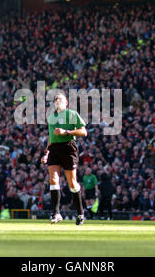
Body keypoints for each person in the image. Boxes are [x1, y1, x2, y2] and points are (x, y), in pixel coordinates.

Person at [41, 93, 88, 225]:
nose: (57, 101)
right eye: (56, 99)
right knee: (53, 179)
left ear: (66, 102)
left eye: (60, 99)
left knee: (72, 183)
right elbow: (51, 137)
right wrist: (47, 153)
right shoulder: (51, 117)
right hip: (55, 149)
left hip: (68, 147)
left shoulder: (72, 114)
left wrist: (66, 132)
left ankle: (80, 214)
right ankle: (56, 213)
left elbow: (84, 132)